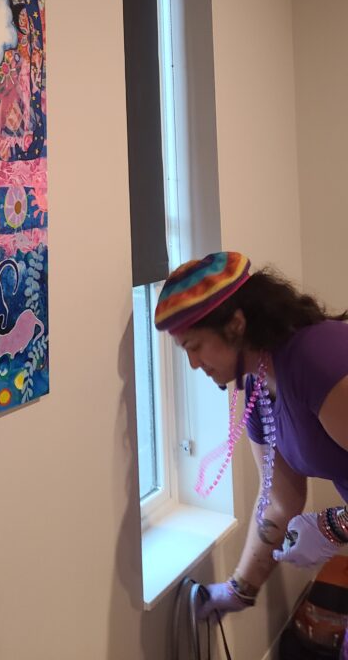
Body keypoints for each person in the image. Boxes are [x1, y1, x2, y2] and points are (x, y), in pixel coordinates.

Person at [154, 251, 348, 653]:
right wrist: (238, 590)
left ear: (236, 325)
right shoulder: (259, 387)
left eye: (195, 346)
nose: (193, 364)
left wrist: (335, 525)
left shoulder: (316, 359)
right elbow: (279, 501)